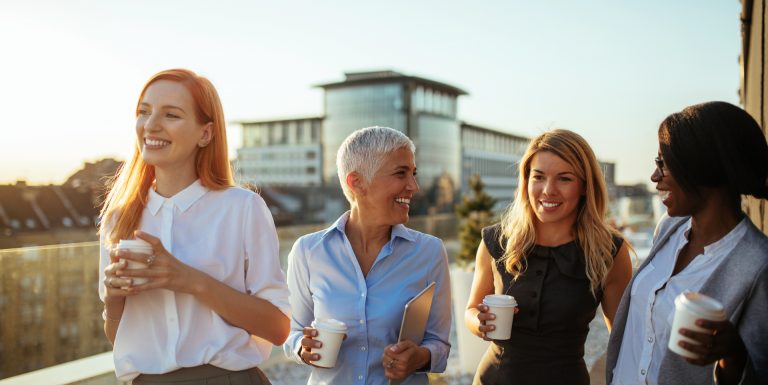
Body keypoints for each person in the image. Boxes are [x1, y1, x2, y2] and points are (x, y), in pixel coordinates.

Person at [98, 69, 290, 384]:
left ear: (206, 133)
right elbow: (118, 336)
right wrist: (114, 298)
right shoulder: (119, 219)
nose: (151, 125)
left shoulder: (242, 208)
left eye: (171, 115)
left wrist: (188, 279)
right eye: (144, 112)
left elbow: (278, 328)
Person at [606, 101, 768, 385]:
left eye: (662, 163)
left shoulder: (758, 265)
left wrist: (733, 356)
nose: (654, 177)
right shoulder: (669, 227)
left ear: (702, 166)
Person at [283, 126, 452, 385]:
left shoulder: (429, 252)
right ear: (357, 182)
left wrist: (419, 357)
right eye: (401, 173)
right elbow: (292, 333)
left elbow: (439, 342)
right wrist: (302, 348)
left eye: (414, 174)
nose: (414, 186)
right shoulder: (307, 251)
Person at [465, 129, 633, 385]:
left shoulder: (608, 251)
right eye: (539, 177)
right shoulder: (496, 240)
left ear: (585, 186)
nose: (548, 190)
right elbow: (471, 309)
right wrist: (480, 322)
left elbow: (623, 337)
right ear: (526, 180)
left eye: (564, 179)